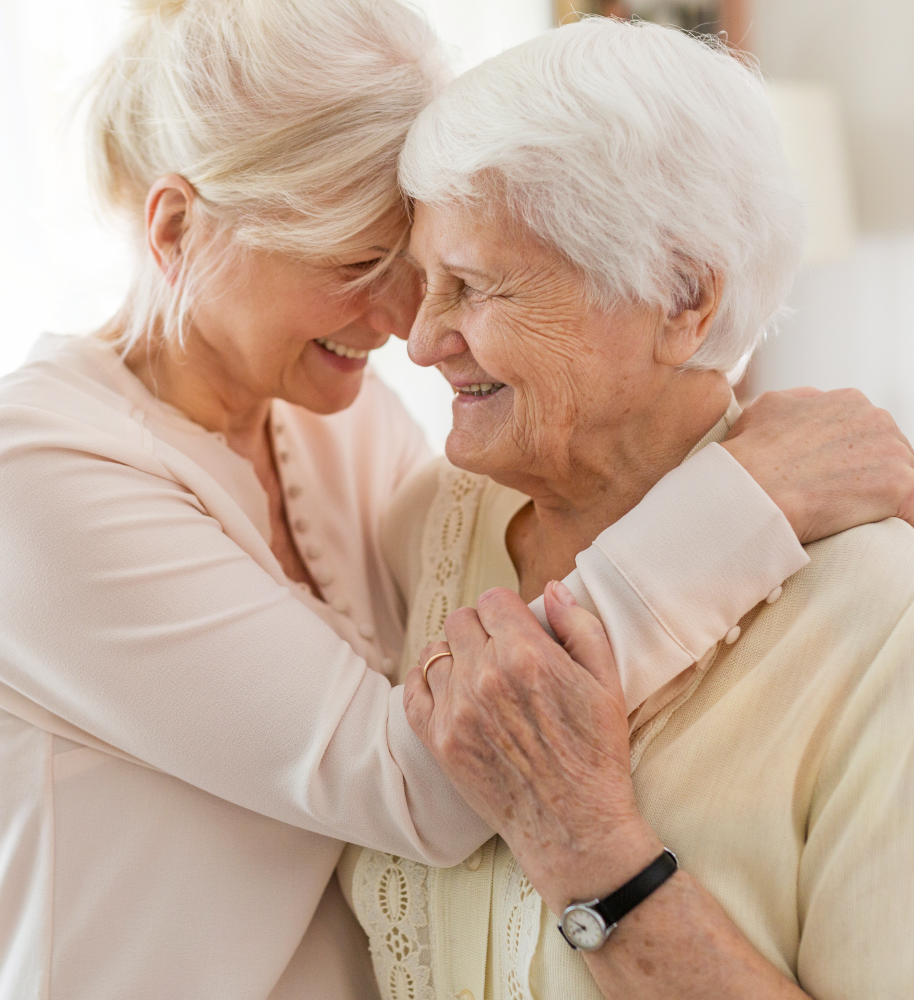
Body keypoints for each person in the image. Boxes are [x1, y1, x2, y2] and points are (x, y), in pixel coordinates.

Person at [0, 4, 911, 999]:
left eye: (420, 267)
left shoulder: (341, 426)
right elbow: (422, 774)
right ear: (176, 229)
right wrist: (746, 499)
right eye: (354, 265)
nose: (403, 326)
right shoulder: (32, 475)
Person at [348, 17, 914, 1000]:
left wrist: (588, 846)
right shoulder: (418, 530)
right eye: (424, 284)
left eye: (474, 287)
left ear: (680, 297)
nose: (423, 339)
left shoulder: (880, 621)